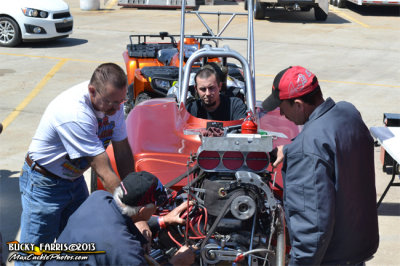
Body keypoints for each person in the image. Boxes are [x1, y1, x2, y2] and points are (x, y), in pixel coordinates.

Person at [262, 66, 379, 265]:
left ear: (298, 105)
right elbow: (333, 146)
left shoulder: (308, 149)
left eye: (282, 106)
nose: (280, 113)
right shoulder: (349, 113)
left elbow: (312, 230)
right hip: (356, 250)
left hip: (330, 258)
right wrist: (292, 150)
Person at [19, 63, 134, 257]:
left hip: (74, 181)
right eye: (111, 103)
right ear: (92, 90)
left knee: (79, 246)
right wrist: (131, 209)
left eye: (120, 102)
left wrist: (134, 192)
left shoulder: (113, 103)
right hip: (44, 185)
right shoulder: (75, 113)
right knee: (35, 256)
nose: (116, 109)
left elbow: (122, 150)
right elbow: (103, 170)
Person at [46, 171, 196, 266]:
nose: (157, 209)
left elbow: (122, 220)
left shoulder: (99, 198)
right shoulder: (125, 252)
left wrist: (161, 221)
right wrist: (176, 263)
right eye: (157, 206)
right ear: (143, 210)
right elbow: (121, 247)